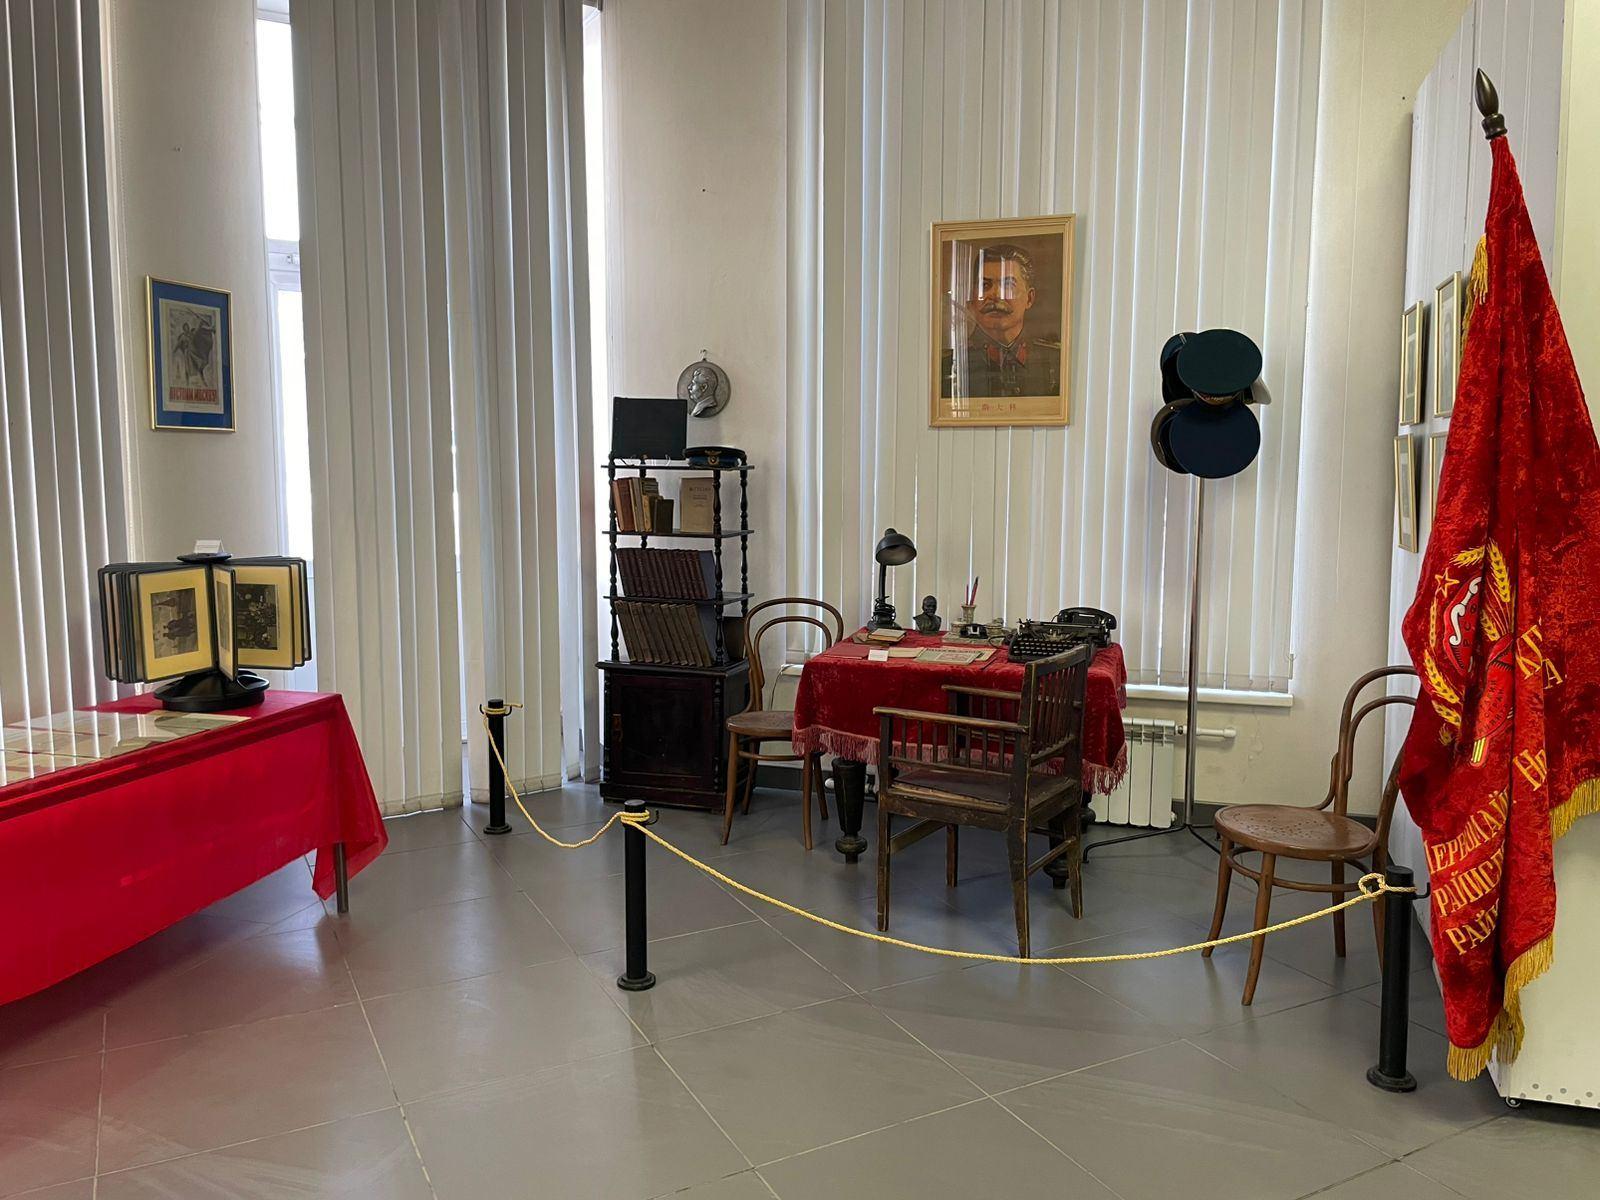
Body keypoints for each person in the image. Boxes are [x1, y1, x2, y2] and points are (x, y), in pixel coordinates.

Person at [940, 243, 1061, 400]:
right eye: (985, 285)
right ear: (972, 297)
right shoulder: (947, 367)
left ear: (1029, 299)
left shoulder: (1056, 362)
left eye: (1008, 285)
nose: (995, 295)